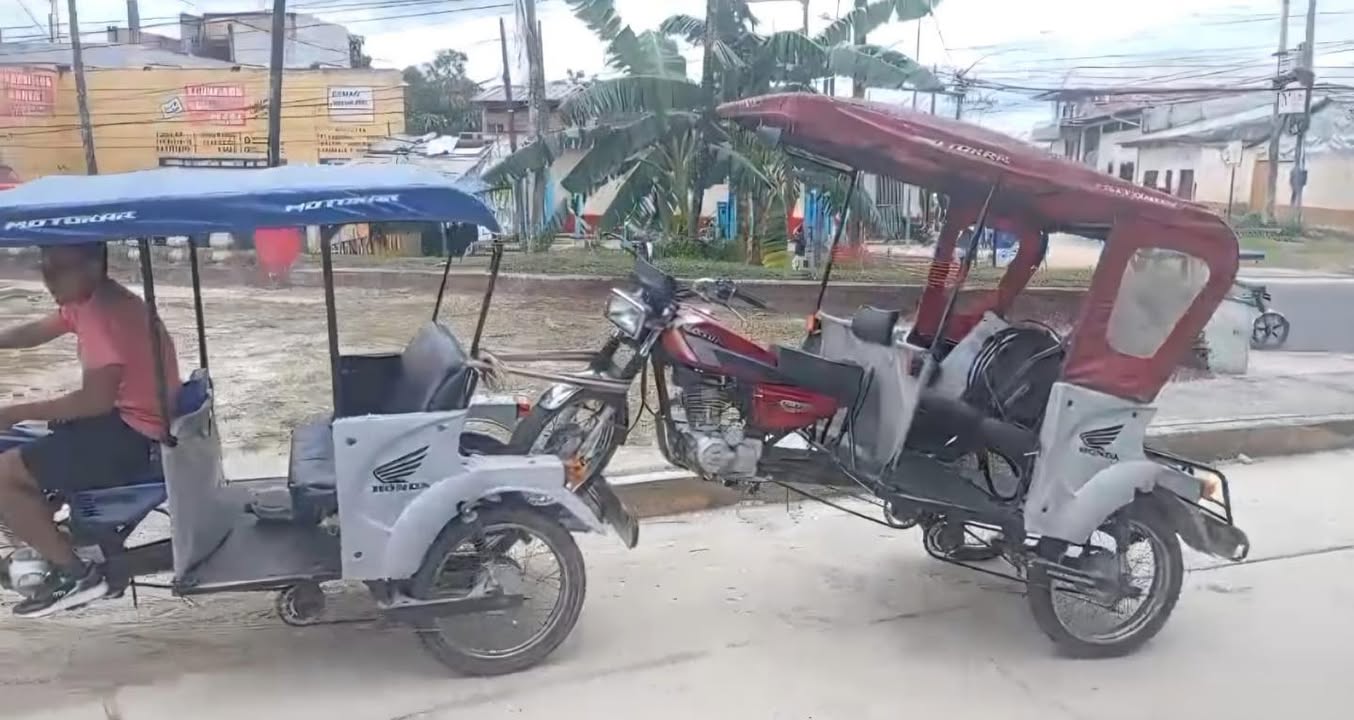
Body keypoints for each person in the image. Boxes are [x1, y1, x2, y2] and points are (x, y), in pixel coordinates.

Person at [0, 242, 180, 618]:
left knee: (6, 475)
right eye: (44, 268)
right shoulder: (91, 300)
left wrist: (13, 411)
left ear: (94, 265)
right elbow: (36, 331)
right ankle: (46, 534)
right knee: (33, 440)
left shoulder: (103, 316)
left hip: (130, 435)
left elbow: (93, 401)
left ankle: (77, 574)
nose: (48, 279)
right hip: (129, 421)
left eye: (58, 270)